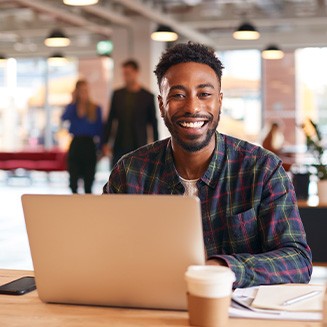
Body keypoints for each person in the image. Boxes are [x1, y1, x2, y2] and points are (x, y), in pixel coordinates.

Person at [103, 42, 312, 288]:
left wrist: (222, 268)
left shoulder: (263, 169)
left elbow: (298, 260)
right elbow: (102, 249)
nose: (192, 107)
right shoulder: (130, 172)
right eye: (178, 95)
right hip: (150, 308)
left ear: (219, 101)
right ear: (161, 105)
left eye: (204, 94)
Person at [102, 59, 159, 167]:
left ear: (136, 72)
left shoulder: (147, 96)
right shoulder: (117, 95)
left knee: (138, 177)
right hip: (119, 144)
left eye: (128, 73)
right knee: (118, 176)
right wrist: (105, 142)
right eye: (124, 74)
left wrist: (156, 147)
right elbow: (110, 120)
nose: (125, 77)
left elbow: (153, 123)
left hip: (139, 144)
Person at [62, 79, 103, 194]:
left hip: (89, 145)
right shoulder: (73, 108)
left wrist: (100, 149)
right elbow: (64, 117)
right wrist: (73, 101)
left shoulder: (95, 108)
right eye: (80, 90)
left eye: (85, 90)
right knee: (73, 181)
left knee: (88, 181)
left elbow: (100, 130)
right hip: (76, 144)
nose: (83, 93)